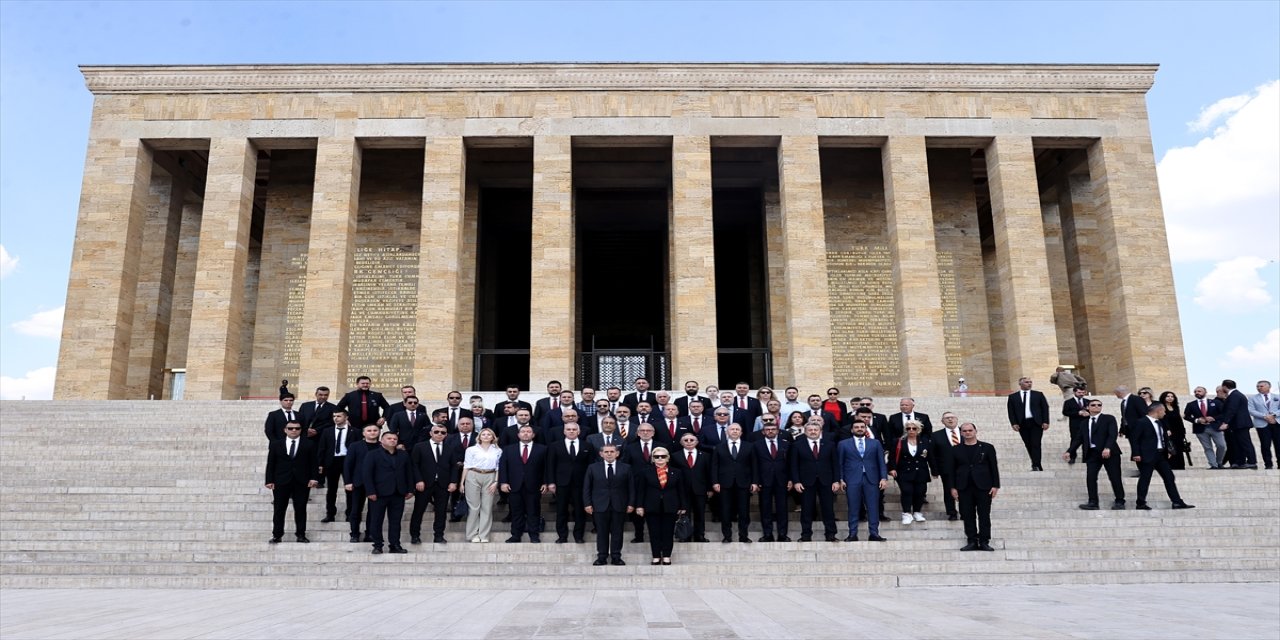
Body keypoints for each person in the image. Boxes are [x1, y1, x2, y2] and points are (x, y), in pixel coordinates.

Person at [1063, 398, 1125, 510]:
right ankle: (1093, 502)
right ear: (1088, 407)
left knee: (1115, 477)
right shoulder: (1084, 423)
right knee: (1090, 478)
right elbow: (1078, 439)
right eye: (1093, 405)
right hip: (1092, 454)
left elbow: (1112, 434)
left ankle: (1120, 501)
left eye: (1099, 405)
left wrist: (1107, 448)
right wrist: (1069, 451)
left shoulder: (1108, 418)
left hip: (1110, 453)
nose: (1097, 407)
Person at [946, 422, 1000, 551]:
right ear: (961, 433)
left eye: (970, 430)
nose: (967, 433)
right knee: (967, 515)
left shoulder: (987, 447)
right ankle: (971, 540)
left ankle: (984, 540)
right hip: (964, 487)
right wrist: (953, 488)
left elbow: (993, 467)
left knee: (984, 515)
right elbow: (951, 470)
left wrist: (995, 485)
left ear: (976, 431)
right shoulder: (955, 449)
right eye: (964, 431)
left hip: (983, 486)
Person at [1131, 403, 1194, 510]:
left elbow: (1163, 438)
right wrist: (1136, 454)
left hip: (1160, 455)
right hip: (1146, 455)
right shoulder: (1141, 422)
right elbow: (1134, 439)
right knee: (1145, 479)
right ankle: (1140, 503)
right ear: (1158, 411)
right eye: (1164, 411)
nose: (1165, 413)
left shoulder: (1159, 423)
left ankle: (1177, 502)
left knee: (1169, 477)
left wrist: (1168, 450)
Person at [264, 421, 319, 543]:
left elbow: (313, 463)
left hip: (302, 481)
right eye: (290, 428)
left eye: (297, 428)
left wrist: (314, 478)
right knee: (279, 509)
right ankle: (277, 535)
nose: (294, 430)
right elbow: (271, 463)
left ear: (301, 430)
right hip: (281, 481)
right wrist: (269, 480)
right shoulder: (276, 444)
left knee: (300, 509)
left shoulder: (309, 444)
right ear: (285, 430)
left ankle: (301, 534)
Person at [362, 431, 415, 554]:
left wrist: (410, 489)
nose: (392, 440)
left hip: (398, 492)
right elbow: (367, 474)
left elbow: (409, 473)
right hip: (378, 493)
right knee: (376, 520)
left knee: (396, 521)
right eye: (389, 438)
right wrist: (370, 491)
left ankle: (395, 545)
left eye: (395, 439)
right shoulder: (372, 454)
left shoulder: (403, 455)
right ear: (382, 441)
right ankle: (378, 545)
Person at [634, 446, 687, 565]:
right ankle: (656, 555)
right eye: (656, 457)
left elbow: (681, 490)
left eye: (663, 456)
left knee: (668, 532)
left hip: (670, 506)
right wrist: (639, 506)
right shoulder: (645, 472)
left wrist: (683, 506)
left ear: (668, 458)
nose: (660, 459)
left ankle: (667, 555)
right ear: (652, 459)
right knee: (654, 532)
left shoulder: (677, 472)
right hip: (651, 506)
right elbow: (641, 490)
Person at [583, 443, 634, 566]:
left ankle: (616, 556)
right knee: (602, 532)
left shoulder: (626, 467)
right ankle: (602, 557)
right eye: (606, 452)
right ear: (601, 454)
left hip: (619, 504)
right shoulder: (593, 467)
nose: (609, 454)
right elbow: (587, 487)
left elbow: (631, 487)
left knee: (617, 532)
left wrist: (631, 503)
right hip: (599, 504)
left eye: (612, 451)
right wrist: (587, 503)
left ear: (617, 453)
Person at [409, 423, 459, 545]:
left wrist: (453, 482)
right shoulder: (420, 446)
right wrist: (418, 480)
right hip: (424, 484)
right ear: (431, 433)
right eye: (436, 432)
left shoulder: (450, 448)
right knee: (418, 510)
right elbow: (414, 465)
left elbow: (454, 466)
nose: (439, 434)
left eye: (443, 432)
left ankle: (439, 536)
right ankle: (415, 535)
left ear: (446, 435)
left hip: (443, 484)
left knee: (441, 511)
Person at [837, 420, 887, 541]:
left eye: (862, 427)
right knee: (853, 507)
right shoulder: (843, 444)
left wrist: (884, 478)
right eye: (856, 427)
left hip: (871, 478)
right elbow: (840, 463)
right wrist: (841, 479)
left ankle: (874, 533)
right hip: (852, 479)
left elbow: (881, 462)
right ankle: (852, 534)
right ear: (852, 430)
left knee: (873, 507)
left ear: (865, 429)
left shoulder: (875, 443)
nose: (859, 429)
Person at [791, 419, 840, 542]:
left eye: (815, 430)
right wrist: (796, 481)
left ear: (820, 431)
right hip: (806, 482)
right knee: (806, 509)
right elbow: (793, 465)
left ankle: (831, 534)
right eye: (810, 430)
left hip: (827, 481)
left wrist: (836, 480)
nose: (813, 432)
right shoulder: (797, 445)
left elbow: (835, 464)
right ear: (805, 431)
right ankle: (806, 535)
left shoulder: (829, 444)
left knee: (828, 509)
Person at [545, 422, 593, 544]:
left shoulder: (587, 445)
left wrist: (590, 483)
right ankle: (562, 536)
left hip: (581, 483)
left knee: (579, 510)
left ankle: (579, 536)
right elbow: (550, 465)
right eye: (568, 429)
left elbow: (590, 466)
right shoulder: (555, 445)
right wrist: (551, 482)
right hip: (561, 483)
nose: (571, 431)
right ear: (564, 431)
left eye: (574, 429)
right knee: (561, 510)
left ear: (579, 431)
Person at [499, 425, 548, 543]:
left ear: (533, 435)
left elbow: (547, 467)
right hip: (514, 485)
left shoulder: (542, 449)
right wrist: (503, 482)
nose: (526, 433)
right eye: (523, 431)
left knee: (534, 511)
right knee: (516, 511)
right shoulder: (508, 449)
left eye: (529, 431)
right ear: (518, 435)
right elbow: (503, 466)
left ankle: (534, 535)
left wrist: (545, 482)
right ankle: (516, 535)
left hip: (534, 485)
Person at [711, 423, 756, 543]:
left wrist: (755, 482)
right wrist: (715, 482)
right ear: (727, 432)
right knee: (725, 511)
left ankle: (744, 536)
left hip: (744, 483)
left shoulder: (749, 446)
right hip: (725, 483)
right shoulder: (719, 447)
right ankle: (727, 536)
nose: (735, 431)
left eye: (737, 429)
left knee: (744, 511)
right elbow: (715, 466)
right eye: (732, 429)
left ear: (741, 433)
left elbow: (754, 465)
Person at [751, 420, 792, 541]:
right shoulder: (756, 445)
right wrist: (755, 480)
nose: (770, 431)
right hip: (764, 481)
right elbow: (754, 464)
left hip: (782, 480)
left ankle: (782, 534)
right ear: (763, 432)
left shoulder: (785, 444)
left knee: (782, 508)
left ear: (778, 431)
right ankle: (767, 534)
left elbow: (790, 464)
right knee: (765, 508)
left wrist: (790, 479)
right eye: (768, 430)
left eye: (773, 429)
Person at [461, 427, 502, 543]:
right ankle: (472, 534)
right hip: (473, 475)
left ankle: (484, 535)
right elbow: (466, 466)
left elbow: (499, 468)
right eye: (483, 434)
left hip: (490, 476)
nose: (486, 436)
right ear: (479, 437)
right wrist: (462, 483)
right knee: (474, 507)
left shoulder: (498, 451)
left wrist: (496, 482)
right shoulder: (471, 449)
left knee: (487, 507)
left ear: (493, 437)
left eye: (489, 434)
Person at [317, 408, 358, 524]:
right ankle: (330, 514)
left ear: (346, 417)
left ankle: (350, 514)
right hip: (332, 461)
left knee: (350, 489)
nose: (336, 418)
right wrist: (320, 464)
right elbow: (322, 448)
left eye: (339, 416)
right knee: (331, 490)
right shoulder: (327, 431)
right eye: (334, 416)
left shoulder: (355, 431)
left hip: (348, 461)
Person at [887, 420, 931, 525]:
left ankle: (917, 512)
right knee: (907, 491)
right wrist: (892, 468)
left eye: (914, 428)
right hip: (903, 472)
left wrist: (935, 471)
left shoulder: (925, 441)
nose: (911, 430)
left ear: (918, 430)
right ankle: (906, 513)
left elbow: (931, 457)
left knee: (920, 492)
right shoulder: (899, 441)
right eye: (908, 428)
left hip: (921, 471)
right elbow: (892, 456)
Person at [343, 424, 382, 543]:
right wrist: (348, 481)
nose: (372, 432)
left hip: (377, 483)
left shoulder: (382, 446)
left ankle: (370, 534)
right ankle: (354, 534)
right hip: (358, 482)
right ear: (363, 433)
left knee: (374, 511)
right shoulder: (355, 446)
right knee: (355, 510)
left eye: (375, 430)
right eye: (369, 430)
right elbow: (348, 464)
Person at [671, 432, 712, 543]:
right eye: (686, 440)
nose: (689, 442)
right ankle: (685, 535)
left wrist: (709, 488)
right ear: (681, 442)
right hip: (682, 490)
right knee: (685, 513)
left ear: (697, 442)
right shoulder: (675, 456)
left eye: (691, 440)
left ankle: (700, 536)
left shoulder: (705, 455)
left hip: (700, 489)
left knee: (700, 514)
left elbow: (708, 473)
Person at [1007, 376, 1050, 471]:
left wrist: (1046, 421)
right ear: (1020, 384)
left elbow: (1045, 408)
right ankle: (1035, 463)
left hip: (1036, 422)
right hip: (1022, 423)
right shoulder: (1013, 397)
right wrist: (1013, 423)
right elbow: (1011, 411)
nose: (1029, 384)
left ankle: (1036, 465)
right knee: (1028, 444)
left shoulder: (1038, 395)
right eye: (1026, 382)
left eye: (1030, 382)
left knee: (1036, 444)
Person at [928, 412, 962, 521]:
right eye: (947, 418)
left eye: (952, 417)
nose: (950, 420)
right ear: (942, 421)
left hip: (965, 468)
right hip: (946, 468)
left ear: (956, 419)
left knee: (965, 490)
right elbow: (932, 454)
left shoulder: (965, 431)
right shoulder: (936, 435)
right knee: (948, 491)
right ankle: (951, 512)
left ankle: (965, 511)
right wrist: (934, 470)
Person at [1184, 386, 1225, 469]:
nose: (1197, 393)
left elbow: (1223, 414)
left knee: (1222, 446)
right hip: (1200, 429)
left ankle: (1219, 462)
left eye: (1199, 391)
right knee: (1207, 447)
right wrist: (1196, 420)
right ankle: (1213, 465)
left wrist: (1214, 418)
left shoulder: (1215, 402)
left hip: (1215, 427)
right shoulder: (1191, 404)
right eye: (1195, 391)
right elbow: (1186, 416)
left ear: (1205, 392)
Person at [1220, 379, 1258, 469]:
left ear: (1225, 386)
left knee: (1245, 443)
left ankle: (1252, 462)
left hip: (1241, 424)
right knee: (1238, 443)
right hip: (1237, 424)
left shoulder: (1235, 395)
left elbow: (1232, 409)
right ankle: (1240, 462)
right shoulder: (1235, 395)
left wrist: (1225, 422)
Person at [1248, 380, 1280, 469]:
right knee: (1265, 445)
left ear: (1268, 386)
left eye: (1261, 386)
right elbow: (1251, 410)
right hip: (1262, 424)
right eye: (1257, 386)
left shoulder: (1277, 397)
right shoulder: (1252, 398)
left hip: (1276, 423)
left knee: (1278, 444)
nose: (1259, 388)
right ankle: (1268, 464)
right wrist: (1265, 416)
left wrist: (1274, 415)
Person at [1158, 391, 1188, 469]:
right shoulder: (1161, 406)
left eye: (1172, 396)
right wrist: (1166, 429)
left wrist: (1183, 431)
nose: (1170, 398)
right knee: (1170, 448)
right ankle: (1170, 466)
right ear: (1164, 397)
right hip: (1168, 431)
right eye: (1168, 396)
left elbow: (1179, 420)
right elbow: (1161, 419)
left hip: (1178, 431)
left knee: (1179, 449)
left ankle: (1180, 466)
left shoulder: (1175, 407)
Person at [1062, 387, 1091, 464]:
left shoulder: (1088, 401)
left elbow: (1094, 411)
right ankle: (1072, 457)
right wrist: (1078, 413)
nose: (1081, 394)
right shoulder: (1068, 402)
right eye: (1079, 392)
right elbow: (1065, 412)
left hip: (1087, 424)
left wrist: (1089, 413)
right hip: (1075, 425)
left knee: (1086, 441)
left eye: (1083, 392)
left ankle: (1086, 458)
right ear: (1074, 392)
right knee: (1074, 440)